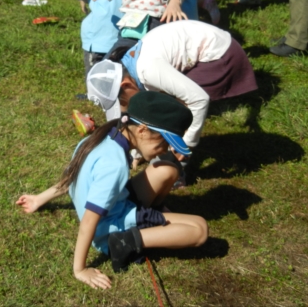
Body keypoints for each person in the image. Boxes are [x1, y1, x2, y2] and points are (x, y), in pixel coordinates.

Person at [16, 91, 209, 287]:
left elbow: (73, 176)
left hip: (119, 205)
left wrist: (39, 198)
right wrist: (80, 269)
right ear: (142, 130)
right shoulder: (114, 166)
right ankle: (126, 241)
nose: (165, 150)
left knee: (169, 167)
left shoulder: (102, 136)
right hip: (111, 229)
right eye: (164, 143)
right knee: (200, 229)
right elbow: (90, 220)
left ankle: (155, 215)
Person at [86, 20, 258, 148]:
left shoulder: (148, 69)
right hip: (208, 44)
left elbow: (199, 100)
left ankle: (179, 162)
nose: (127, 108)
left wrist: (185, 145)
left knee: (177, 110)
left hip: (221, 54)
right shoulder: (129, 63)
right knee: (163, 104)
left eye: (124, 103)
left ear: (125, 85)